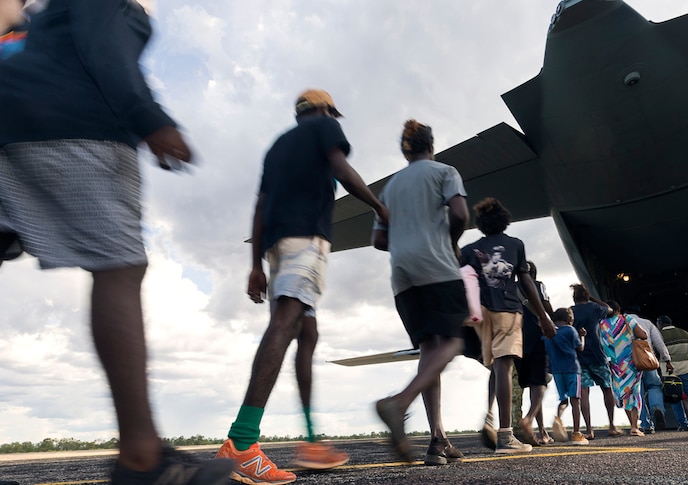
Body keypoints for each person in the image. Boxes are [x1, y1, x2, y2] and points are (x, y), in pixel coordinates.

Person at [0, 0, 233, 483]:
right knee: (120, 267)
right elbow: (102, 43)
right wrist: (149, 118)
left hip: (13, 108)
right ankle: (141, 456)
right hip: (66, 118)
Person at [216, 89, 388, 483]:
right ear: (325, 110)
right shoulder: (325, 126)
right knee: (285, 324)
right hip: (306, 240)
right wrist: (379, 207)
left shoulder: (276, 147)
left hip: (277, 246)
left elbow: (260, 207)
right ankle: (242, 443)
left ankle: (311, 440)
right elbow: (341, 169)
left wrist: (255, 264)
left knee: (306, 332)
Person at [371, 119, 469, 465]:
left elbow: (378, 239)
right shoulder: (445, 172)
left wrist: (406, 242)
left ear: (405, 151)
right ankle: (399, 403)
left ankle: (437, 439)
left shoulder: (390, 187)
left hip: (403, 275)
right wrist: (450, 242)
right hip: (437, 267)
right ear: (432, 145)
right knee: (456, 342)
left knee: (430, 352)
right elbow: (460, 212)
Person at [461, 197, 556, 454]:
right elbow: (525, 282)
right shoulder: (515, 245)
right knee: (504, 367)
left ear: (480, 224)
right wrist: (544, 317)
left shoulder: (469, 250)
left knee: (494, 369)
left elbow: (463, 282)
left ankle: (490, 415)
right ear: (505, 221)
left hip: (480, 315)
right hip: (507, 310)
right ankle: (505, 436)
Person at [514, 261, 555, 446]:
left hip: (517, 340)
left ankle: (541, 432)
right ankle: (529, 419)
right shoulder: (539, 286)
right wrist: (553, 322)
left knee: (531, 385)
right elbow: (547, 307)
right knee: (541, 383)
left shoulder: (511, 288)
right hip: (537, 337)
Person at [568, 284, 616, 438]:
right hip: (597, 354)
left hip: (579, 355)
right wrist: (593, 299)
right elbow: (609, 309)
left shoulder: (570, 311)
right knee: (607, 388)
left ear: (574, 298)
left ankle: (589, 430)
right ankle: (612, 425)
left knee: (583, 393)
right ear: (586, 296)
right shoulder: (595, 308)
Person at [600, 301, 648, 436]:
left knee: (625, 394)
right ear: (618, 309)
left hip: (614, 365)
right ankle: (634, 426)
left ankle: (632, 424)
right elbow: (643, 335)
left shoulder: (601, 325)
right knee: (634, 393)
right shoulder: (627, 319)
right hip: (631, 362)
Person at [544, 308, 590, 445]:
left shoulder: (549, 333)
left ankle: (558, 419)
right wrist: (582, 336)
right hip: (572, 369)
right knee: (575, 400)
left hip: (557, 371)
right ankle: (576, 433)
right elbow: (580, 347)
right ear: (570, 320)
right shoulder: (570, 330)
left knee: (563, 400)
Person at [625, 307, 673, 433]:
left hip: (629, 363)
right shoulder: (647, 323)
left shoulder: (621, 323)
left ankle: (645, 424)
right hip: (647, 359)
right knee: (654, 386)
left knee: (637, 392)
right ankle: (657, 408)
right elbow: (659, 343)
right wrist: (667, 360)